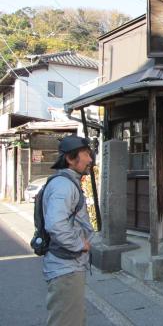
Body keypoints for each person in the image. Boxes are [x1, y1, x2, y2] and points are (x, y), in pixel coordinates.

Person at [43, 135, 94, 326]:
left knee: (71, 318)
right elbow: (56, 224)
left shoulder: (64, 182)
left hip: (68, 265)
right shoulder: (64, 186)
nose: (90, 160)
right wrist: (80, 244)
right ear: (70, 159)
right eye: (86, 155)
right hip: (66, 266)